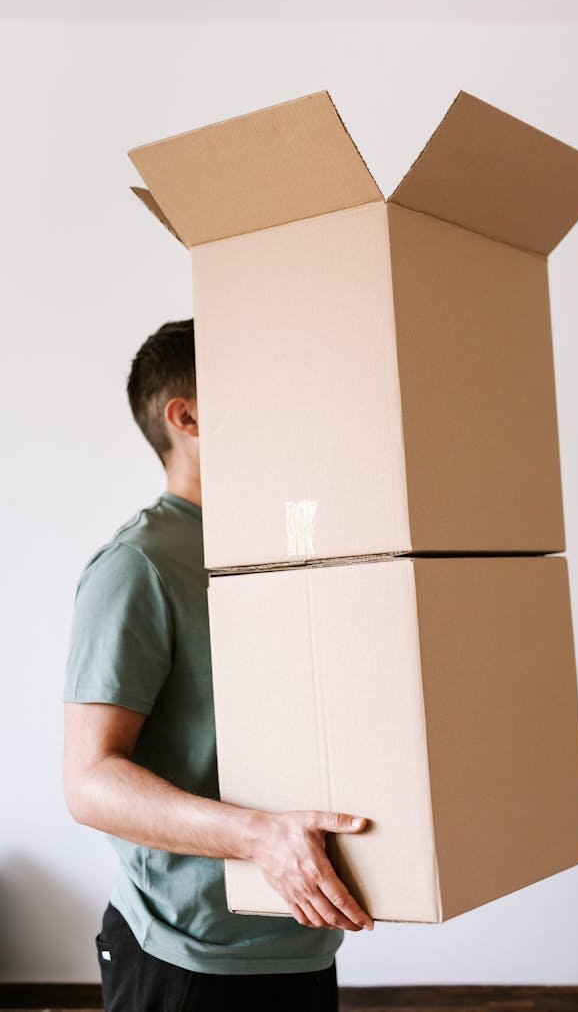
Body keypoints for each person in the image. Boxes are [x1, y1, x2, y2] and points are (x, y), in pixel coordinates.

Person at [62, 319, 373, 1012]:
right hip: (186, 954)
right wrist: (260, 838)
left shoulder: (287, 549)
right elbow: (88, 783)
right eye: (252, 387)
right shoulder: (137, 565)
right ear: (187, 417)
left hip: (300, 930)